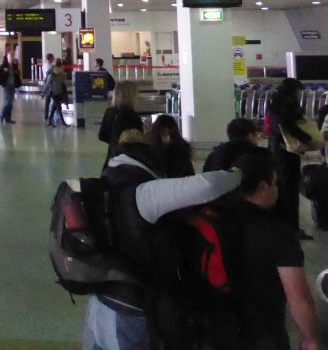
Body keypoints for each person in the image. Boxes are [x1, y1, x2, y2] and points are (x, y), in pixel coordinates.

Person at [81, 131, 242, 350]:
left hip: (100, 303)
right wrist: (238, 173)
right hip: (128, 310)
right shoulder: (143, 192)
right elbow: (208, 185)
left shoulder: (109, 184)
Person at [224, 150, 320, 350]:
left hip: (220, 326)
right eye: (275, 183)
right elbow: (299, 298)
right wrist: (311, 338)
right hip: (264, 330)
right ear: (263, 187)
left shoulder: (216, 218)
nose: (277, 189)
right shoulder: (277, 233)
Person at [267, 77, 314, 239]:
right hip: (288, 150)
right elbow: (288, 125)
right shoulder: (289, 103)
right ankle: (291, 228)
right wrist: (307, 138)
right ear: (294, 91)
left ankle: (281, 225)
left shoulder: (274, 103)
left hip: (276, 149)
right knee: (290, 189)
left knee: (280, 186)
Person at [98, 80, 144, 167]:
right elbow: (139, 140)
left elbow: (102, 136)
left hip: (111, 157)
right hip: (128, 160)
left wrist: (113, 141)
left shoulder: (109, 112)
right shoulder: (133, 116)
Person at [145, 113, 194, 178]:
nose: (168, 139)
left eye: (171, 135)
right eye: (164, 135)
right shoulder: (148, 153)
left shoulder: (181, 153)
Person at [43, 62, 68, 127]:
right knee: (59, 108)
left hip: (59, 93)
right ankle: (63, 123)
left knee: (54, 108)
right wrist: (42, 94)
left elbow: (63, 83)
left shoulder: (61, 75)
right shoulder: (51, 76)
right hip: (53, 93)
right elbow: (47, 85)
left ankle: (49, 121)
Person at [0, 52, 20, 125]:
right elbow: (0, 75)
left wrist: (17, 72)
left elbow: (17, 74)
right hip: (7, 86)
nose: (11, 58)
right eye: (9, 57)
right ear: (7, 58)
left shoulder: (14, 65)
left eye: (12, 56)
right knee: (7, 102)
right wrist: (4, 72)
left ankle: (8, 118)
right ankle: (1, 115)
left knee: (10, 103)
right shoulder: (4, 66)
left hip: (13, 85)